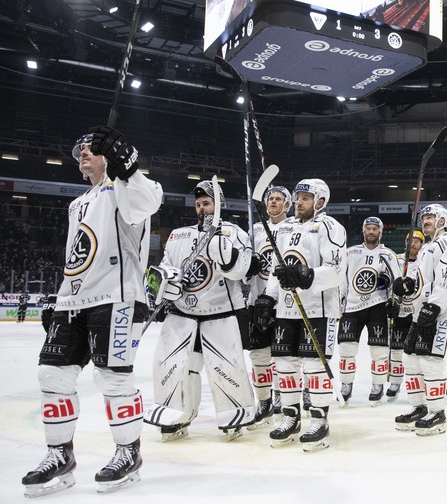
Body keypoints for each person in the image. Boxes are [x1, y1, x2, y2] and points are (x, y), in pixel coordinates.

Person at [22, 126, 163, 497]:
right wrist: (59, 298)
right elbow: (75, 256)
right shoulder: (78, 202)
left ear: (107, 156)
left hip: (116, 297)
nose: (83, 154)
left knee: (114, 379)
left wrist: (128, 165)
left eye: (91, 149)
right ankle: (59, 454)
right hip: (73, 301)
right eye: (80, 150)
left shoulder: (127, 189)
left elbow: (150, 201)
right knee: (51, 374)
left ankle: (127, 452)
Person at [145, 179, 256, 442]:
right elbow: (165, 267)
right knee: (176, 366)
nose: (202, 208)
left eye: (207, 203)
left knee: (225, 367)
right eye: (198, 204)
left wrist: (229, 258)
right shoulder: (178, 235)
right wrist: (166, 283)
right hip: (183, 315)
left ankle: (234, 414)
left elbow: (244, 271)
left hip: (222, 313)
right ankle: (176, 414)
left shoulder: (235, 233)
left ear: (219, 206)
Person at [254, 178, 346, 451]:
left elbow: (338, 270)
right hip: (286, 308)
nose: (299, 202)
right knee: (285, 365)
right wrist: (267, 297)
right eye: (297, 197)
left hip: (319, 309)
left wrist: (308, 275)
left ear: (320, 201)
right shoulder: (284, 228)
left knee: (316, 367)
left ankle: (319, 420)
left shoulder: (330, 227)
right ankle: (290, 417)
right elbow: (277, 269)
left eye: (305, 197)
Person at [392, 204, 447, 436]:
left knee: (430, 361)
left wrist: (434, 305)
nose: (426, 220)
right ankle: (419, 407)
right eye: (424, 217)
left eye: (431, 216)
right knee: (410, 359)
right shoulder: (426, 248)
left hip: (439, 312)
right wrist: (406, 286)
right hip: (419, 311)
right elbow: (420, 279)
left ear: (443, 220)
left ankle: (437, 412)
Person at [337, 216, 400, 406]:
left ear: (380, 232)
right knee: (346, 349)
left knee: (379, 351)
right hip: (352, 307)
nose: (371, 232)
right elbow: (342, 280)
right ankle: (346, 384)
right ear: (363, 231)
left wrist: (394, 301)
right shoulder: (350, 253)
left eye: (375, 229)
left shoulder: (388, 254)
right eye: (368, 228)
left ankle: (378, 385)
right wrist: (340, 304)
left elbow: (396, 281)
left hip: (377, 306)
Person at [247, 185, 292, 425]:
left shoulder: (292, 228)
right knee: (259, 355)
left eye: (278, 199)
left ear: (287, 204)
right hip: (256, 300)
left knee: (282, 356)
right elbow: (242, 268)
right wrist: (247, 265)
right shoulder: (254, 231)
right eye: (270, 199)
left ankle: (281, 397)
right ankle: (263, 400)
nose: (273, 202)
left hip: (283, 303)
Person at [387, 229, 425, 400]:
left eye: (418, 241)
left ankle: (421, 382)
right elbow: (388, 282)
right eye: (411, 240)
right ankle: (395, 381)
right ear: (406, 243)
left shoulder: (426, 260)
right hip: (400, 311)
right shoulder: (397, 259)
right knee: (396, 348)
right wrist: (391, 301)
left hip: (418, 311)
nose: (414, 244)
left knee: (418, 351)